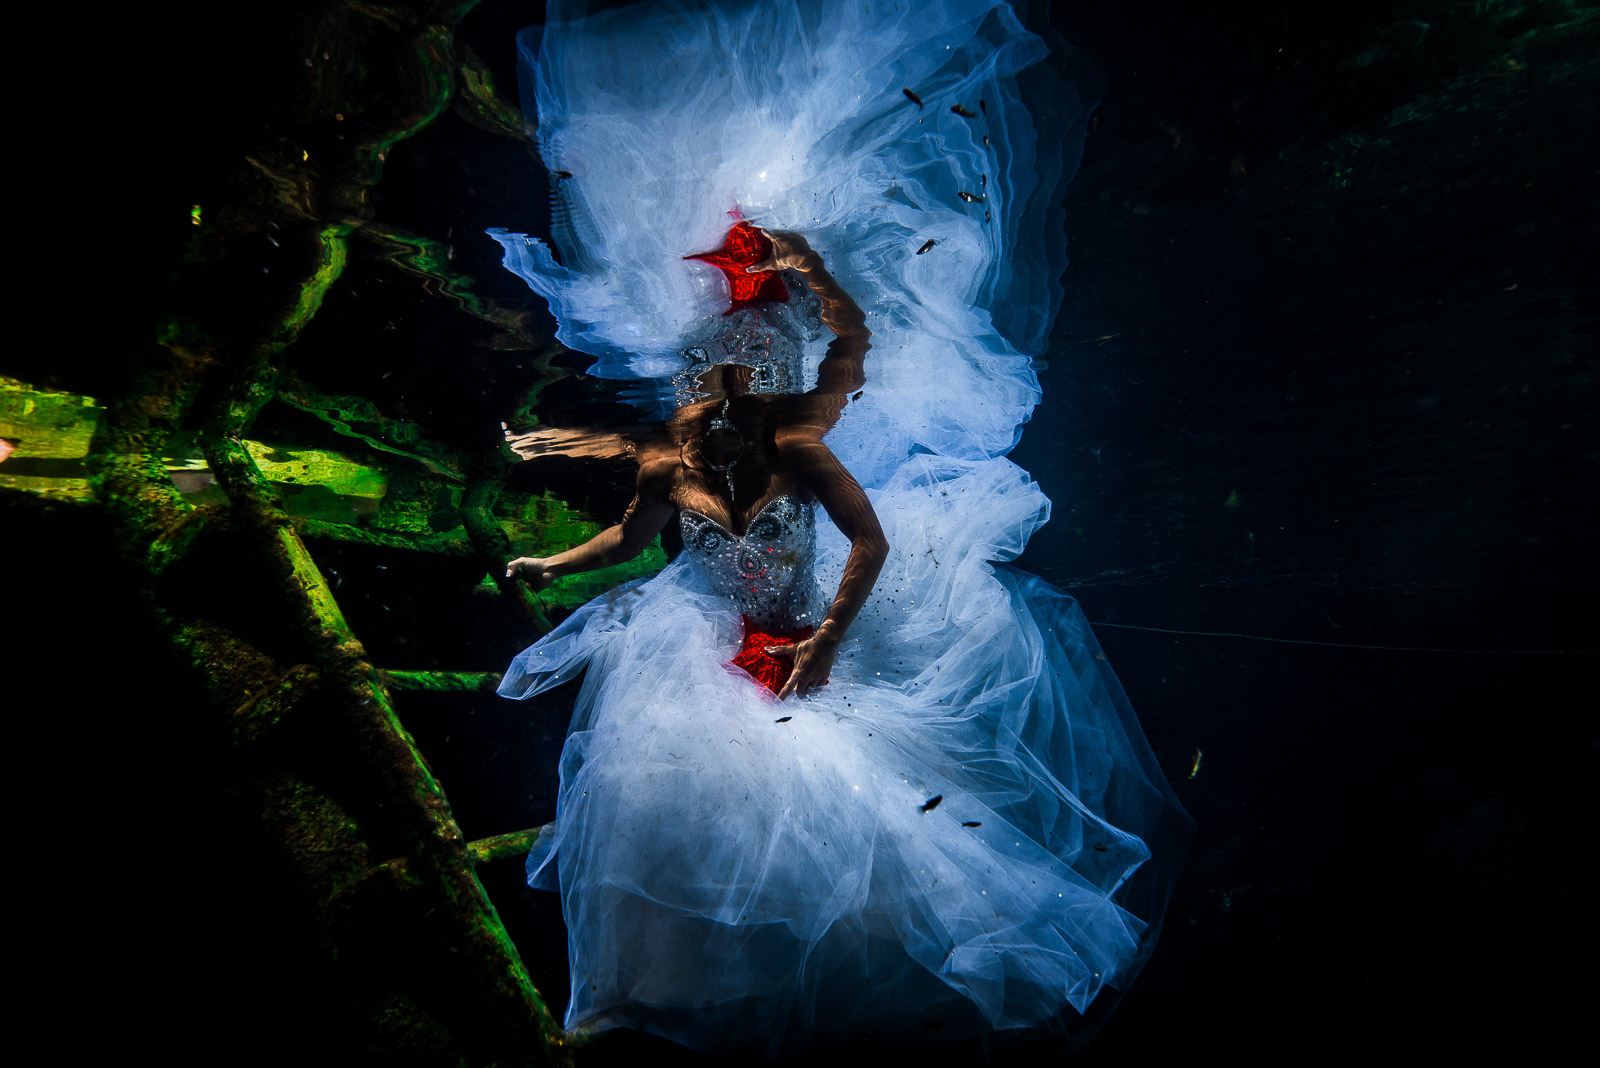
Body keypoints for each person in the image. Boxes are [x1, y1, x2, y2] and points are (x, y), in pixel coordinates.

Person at [493, 0, 1190, 1057]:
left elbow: (866, 531)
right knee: (688, 786)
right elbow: (629, 542)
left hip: (785, 629)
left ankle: (750, 987)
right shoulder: (672, 459)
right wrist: (551, 556)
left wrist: (821, 640)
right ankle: (654, 989)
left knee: (787, 790)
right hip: (721, 634)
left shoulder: (801, 439)